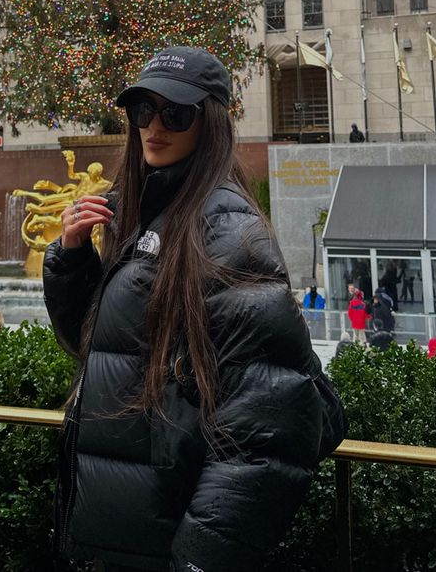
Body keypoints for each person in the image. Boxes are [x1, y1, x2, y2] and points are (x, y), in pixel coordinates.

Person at [44, 46, 344, 572]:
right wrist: (72, 261)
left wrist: (199, 559)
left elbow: (268, 429)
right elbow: (105, 353)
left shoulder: (226, 233)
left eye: (176, 114)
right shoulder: (141, 215)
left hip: (161, 536)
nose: (155, 127)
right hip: (119, 532)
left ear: (210, 124)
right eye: (143, 112)